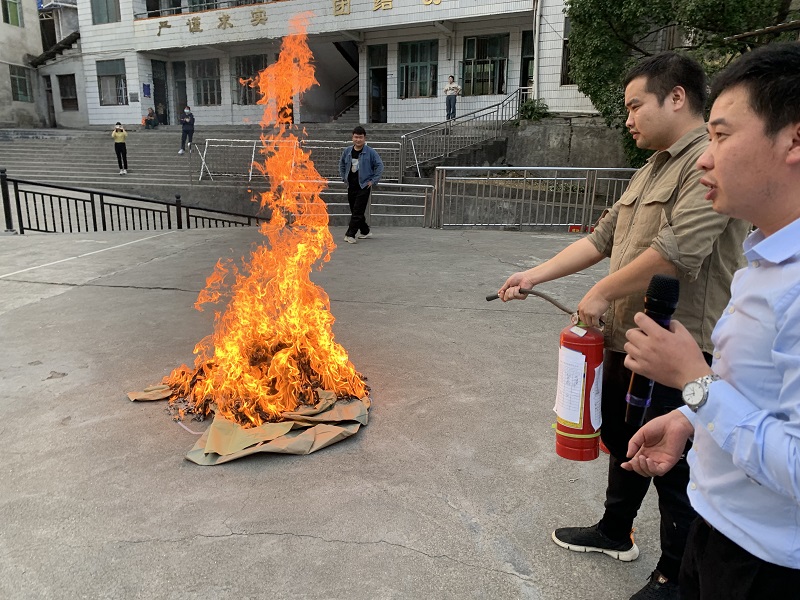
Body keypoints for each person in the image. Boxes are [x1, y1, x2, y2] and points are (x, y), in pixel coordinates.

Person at [497, 52, 749, 600]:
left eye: (636, 105)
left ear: (676, 97)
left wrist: (602, 291)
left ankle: (674, 576)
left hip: (680, 347)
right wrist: (533, 274)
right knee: (625, 438)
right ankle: (616, 530)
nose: (628, 117)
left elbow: (678, 250)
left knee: (674, 460)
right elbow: (601, 239)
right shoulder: (651, 168)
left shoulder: (706, 162)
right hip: (630, 337)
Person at [621, 42, 800, 599]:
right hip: (719, 528)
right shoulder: (765, 258)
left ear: (794, 140)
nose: (704, 158)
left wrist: (694, 383)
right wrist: (689, 421)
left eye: (721, 136)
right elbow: (760, 393)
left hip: (767, 564)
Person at [338, 125, 384, 244]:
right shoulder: (347, 151)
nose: (358, 140)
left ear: (364, 138)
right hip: (351, 185)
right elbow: (341, 164)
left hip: (364, 186)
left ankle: (350, 234)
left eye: (360, 137)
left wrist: (373, 181)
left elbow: (380, 166)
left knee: (358, 211)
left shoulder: (370, 152)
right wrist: (344, 177)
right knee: (355, 210)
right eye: (356, 137)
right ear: (352, 137)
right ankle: (365, 231)